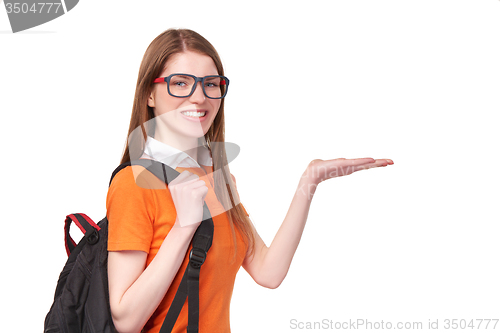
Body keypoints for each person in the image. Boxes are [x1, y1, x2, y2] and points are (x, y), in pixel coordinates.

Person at [106, 28, 394, 333]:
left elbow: (268, 272)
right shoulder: (134, 183)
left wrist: (310, 180)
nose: (200, 97)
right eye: (180, 83)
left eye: (211, 84)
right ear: (149, 94)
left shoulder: (216, 178)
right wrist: (184, 227)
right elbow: (125, 319)